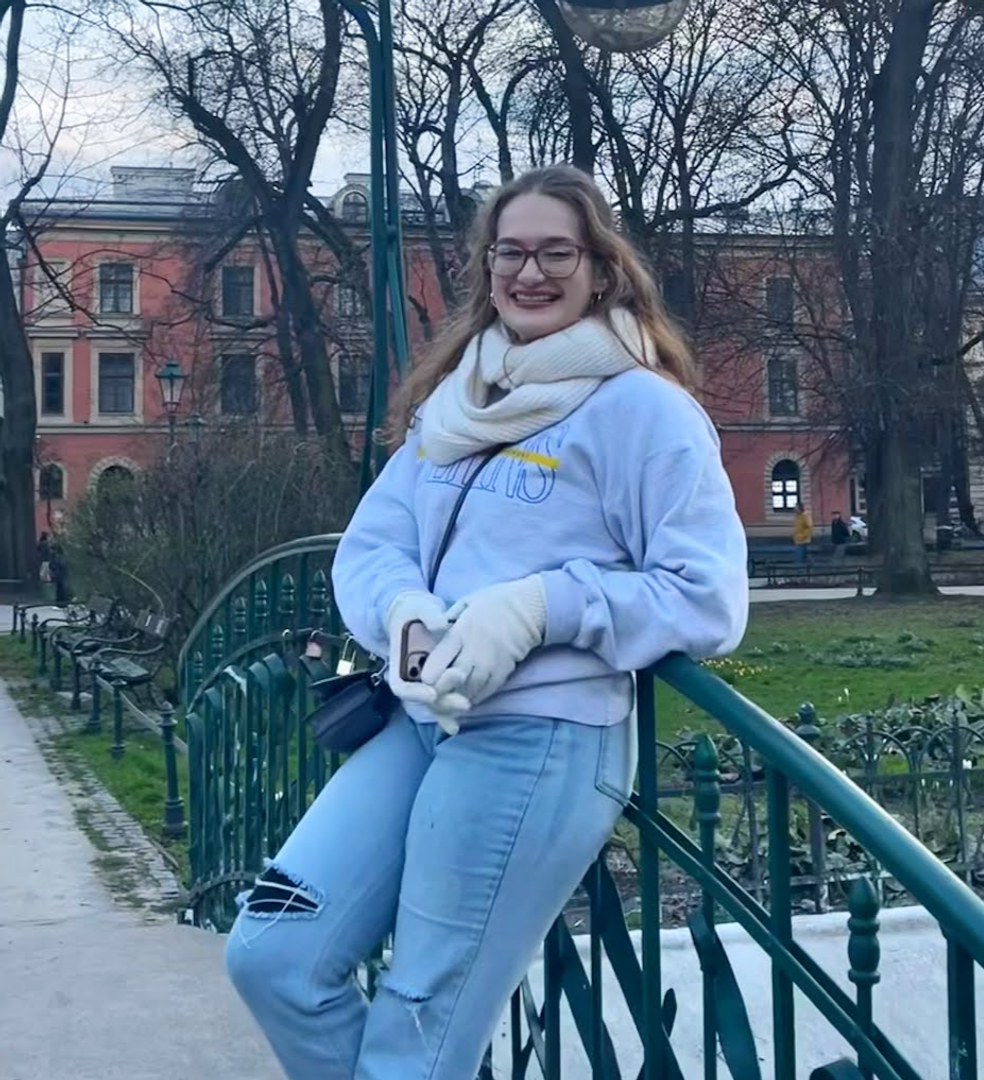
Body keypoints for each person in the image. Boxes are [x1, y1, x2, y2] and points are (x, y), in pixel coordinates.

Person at [223, 165, 749, 1080]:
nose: (530, 273)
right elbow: (372, 548)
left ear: (600, 268)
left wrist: (543, 606)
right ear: (486, 265)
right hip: (419, 718)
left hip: (538, 740)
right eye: (511, 251)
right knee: (273, 953)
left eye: (556, 252)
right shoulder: (460, 401)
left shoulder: (643, 408)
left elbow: (707, 596)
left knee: (420, 1015)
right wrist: (406, 613)